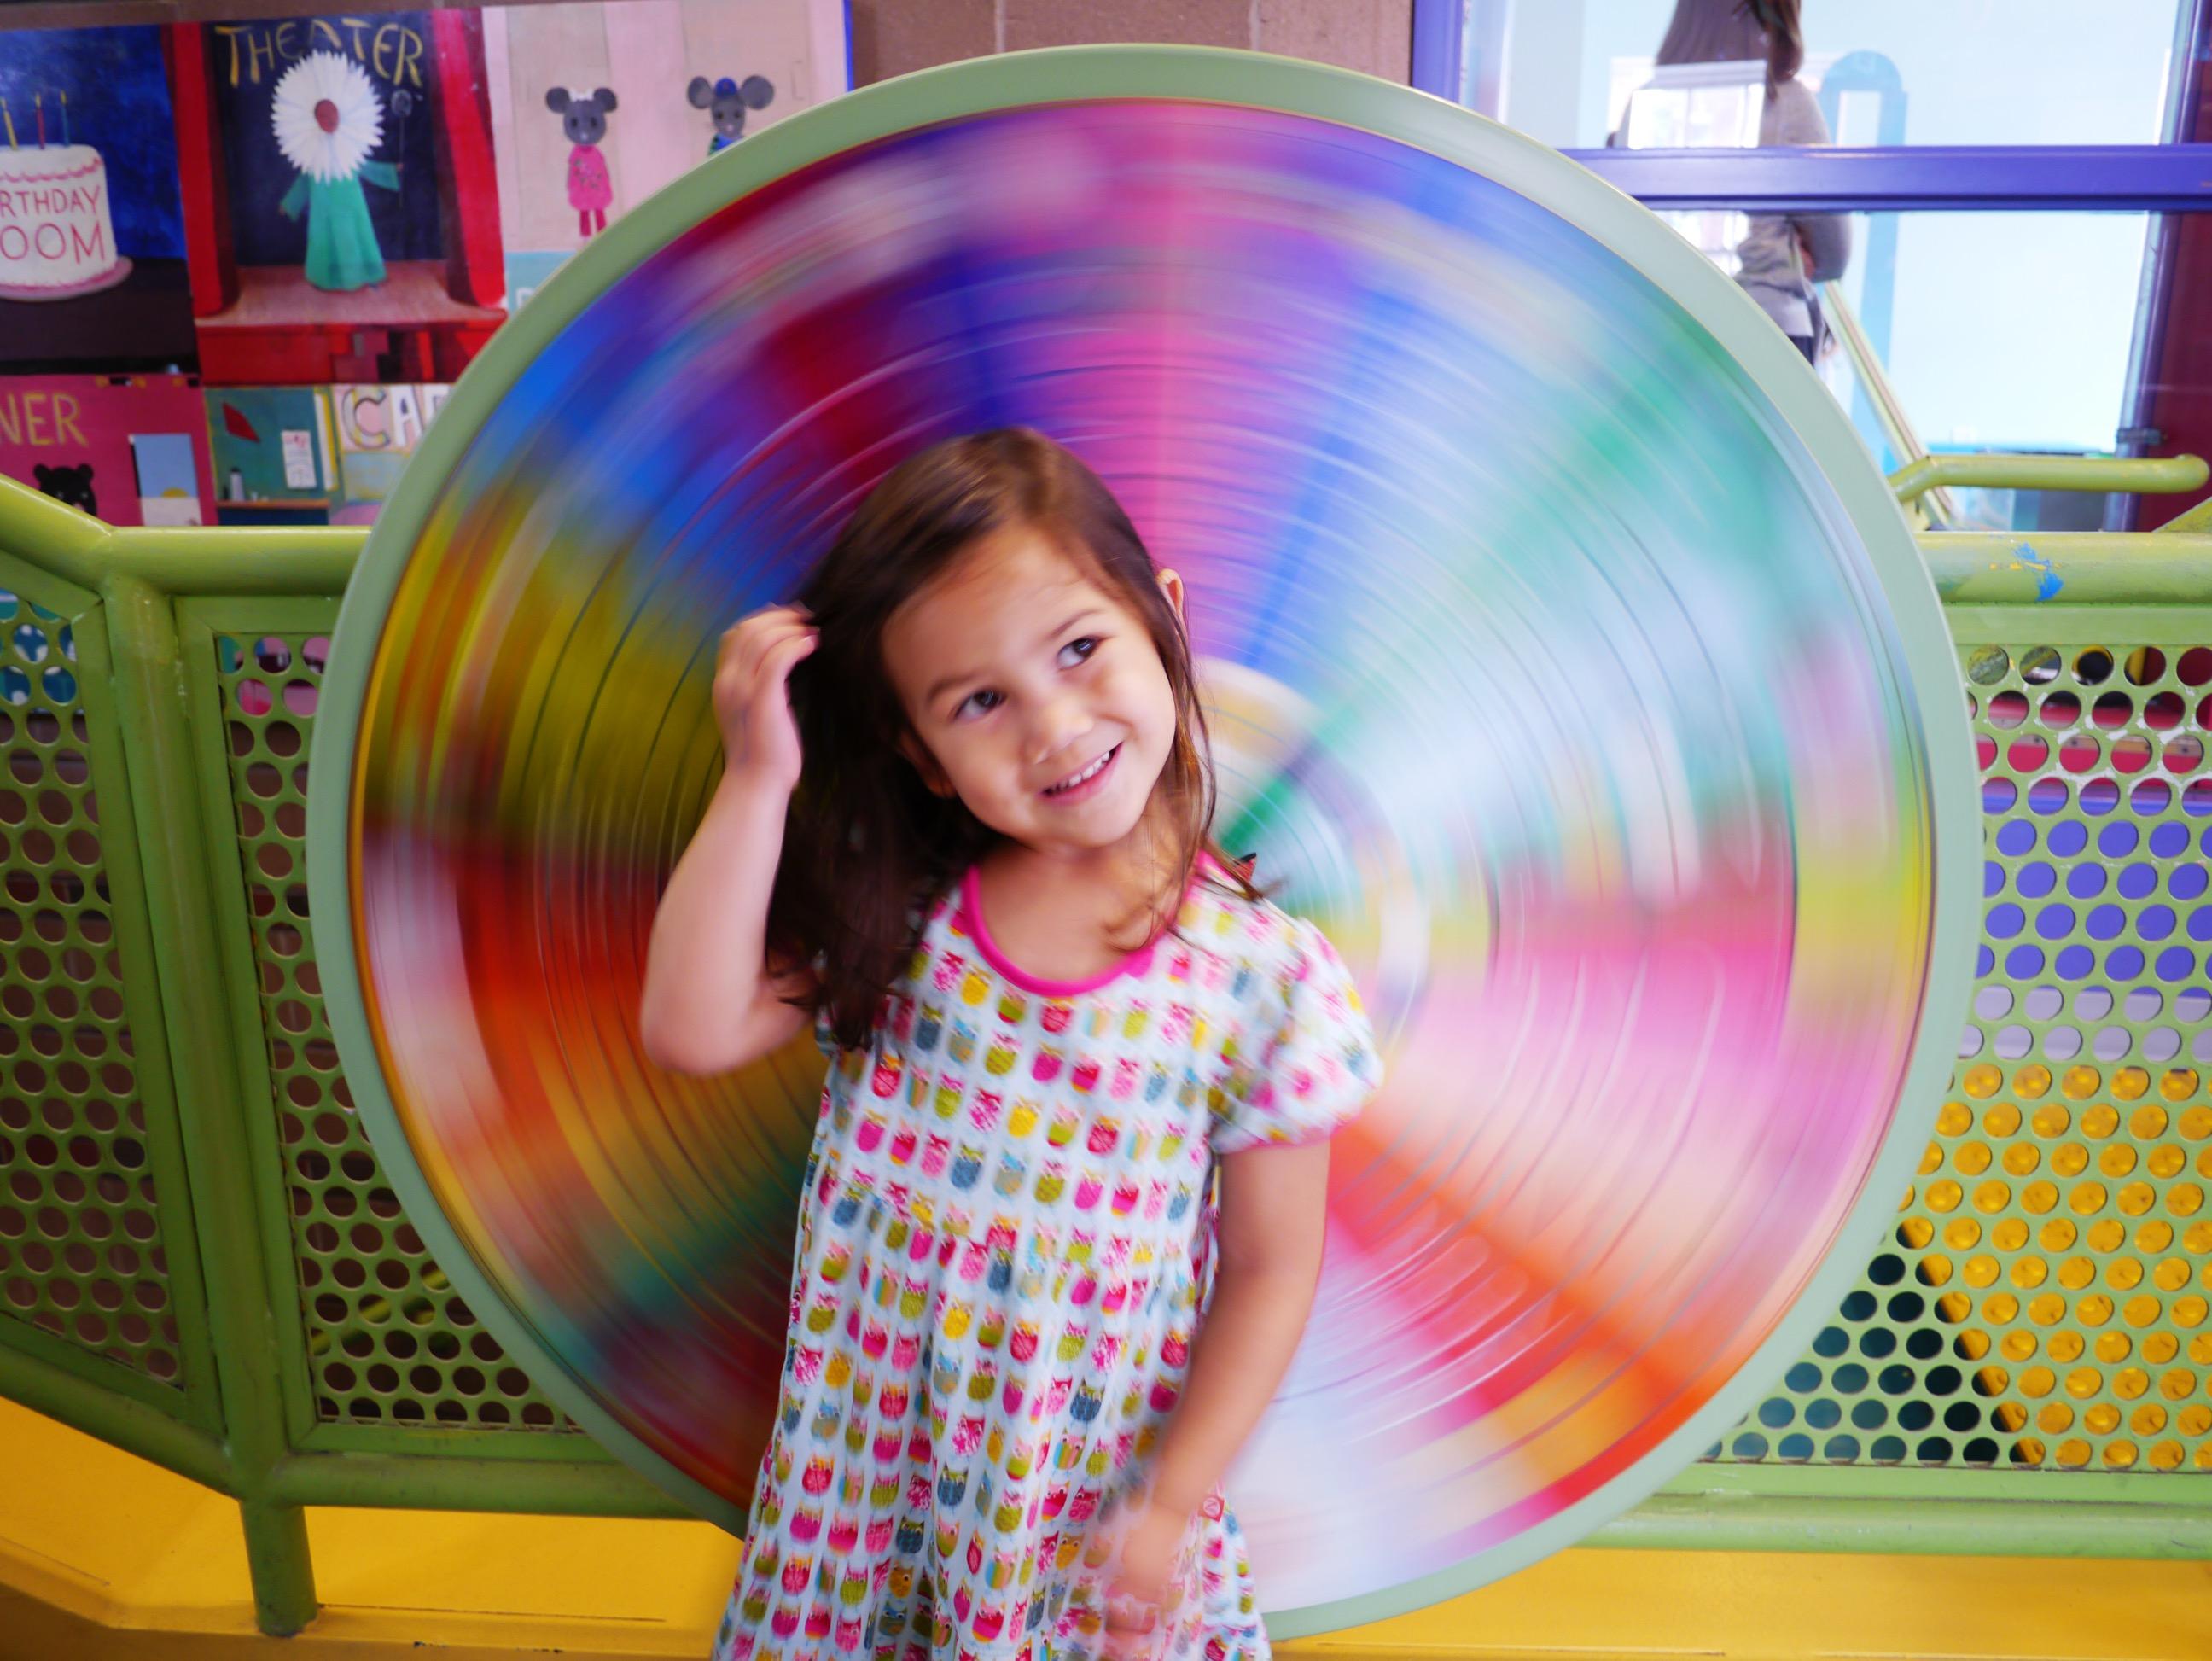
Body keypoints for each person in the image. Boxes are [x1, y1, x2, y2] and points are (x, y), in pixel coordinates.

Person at [639, 429, 1382, 1661]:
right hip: (865, 1498)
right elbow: (690, 1026)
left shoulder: (1266, 982)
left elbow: (1268, 1268)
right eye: (980, 700)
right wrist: (759, 774)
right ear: (922, 757)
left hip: (1086, 1509)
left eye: (1081, 648)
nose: (1053, 725)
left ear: (1165, 623)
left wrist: (1174, 1499)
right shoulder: (906, 911)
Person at [1642, 0, 1850, 362]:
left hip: (1665, 327)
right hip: (1768, 327)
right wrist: (1788, 246)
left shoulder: (1647, 104)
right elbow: (1834, 252)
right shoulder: (1787, 101)